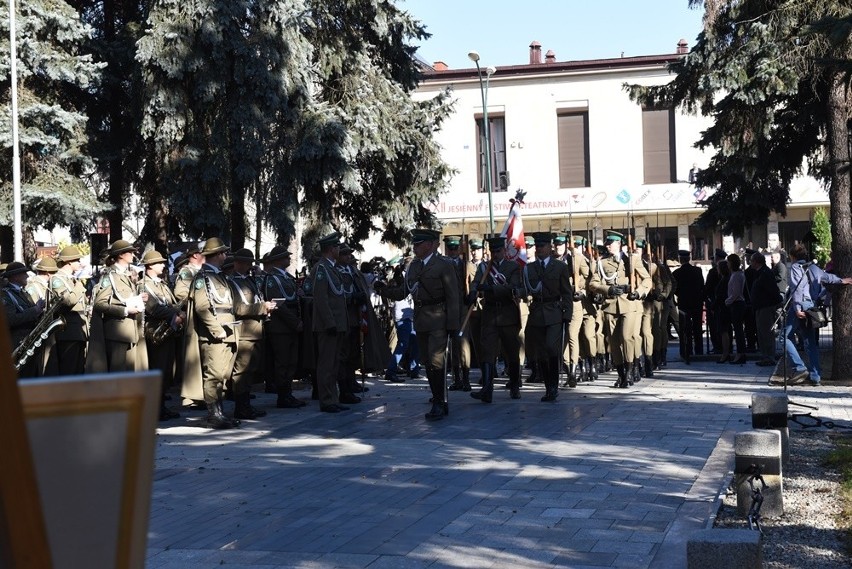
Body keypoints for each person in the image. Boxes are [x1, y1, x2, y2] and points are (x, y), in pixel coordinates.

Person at [376, 229, 460, 420]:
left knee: (437, 360)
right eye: (414, 243)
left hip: (439, 317)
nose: (414, 247)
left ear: (430, 244)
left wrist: (453, 325)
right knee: (428, 362)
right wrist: (384, 290)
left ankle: (439, 402)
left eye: (418, 244)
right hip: (421, 318)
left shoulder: (443, 265)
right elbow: (403, 292)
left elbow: (453, 296)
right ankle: (438, 397)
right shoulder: (414, 266)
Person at [588, 230, 651, 388]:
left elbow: (647, 279)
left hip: (630, 304)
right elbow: (593, 284)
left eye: (611, 243)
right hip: (610, 306)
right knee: (614, 343)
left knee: (627, 338)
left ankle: (630, 370)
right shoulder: (601, 263)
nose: (608, 246)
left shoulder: (632, 260)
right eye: (607, 243)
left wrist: (639, 292)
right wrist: (608, 290)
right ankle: (621, 374)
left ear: (619, 244)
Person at [193, 238, 242, 428]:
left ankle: (219, 412)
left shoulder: (218, 276)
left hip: (227, 330)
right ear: (217, 255)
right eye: (223, 253)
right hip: (215, 334)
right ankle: (214, 414)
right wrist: (216, 330)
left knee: (221, 375)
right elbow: (202, 307)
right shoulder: (203, 278)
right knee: (213, 375)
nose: (226, 256)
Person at [470, 236, 522, 402]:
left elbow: (512, 288)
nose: (495, 254)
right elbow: (476, 282)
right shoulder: (484, 267)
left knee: (512, 352)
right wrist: (472, 293)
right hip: (490, 313)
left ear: (505, 251)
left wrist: (491, 288)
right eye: (493, 251)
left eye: (498, 251)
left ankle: (514, 385)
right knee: (487, 351)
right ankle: (487, 389)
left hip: (507, 313)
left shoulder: (512, 267)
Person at [522, 232, 573, 401]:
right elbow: (526, 290)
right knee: (541, 352)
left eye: (542, 246)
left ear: (550, 248)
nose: (539, 249)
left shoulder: (560, 267)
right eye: (537, 246)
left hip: (554, 312)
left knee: (552, 348)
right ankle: (549, 388)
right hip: (537, 312)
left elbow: (566, 292)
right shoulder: (529, 268)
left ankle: (553, 384)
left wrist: (568, 313)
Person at [229, 248, 278, 419]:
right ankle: (241, 407)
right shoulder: (232, 282)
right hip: (244, 332)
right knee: (242, 372)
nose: (251, 266)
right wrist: (262, 307)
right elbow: (238, 308)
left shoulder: (249, 280)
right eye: (248, 263)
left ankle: (246, 405)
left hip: (256, 331)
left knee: (250, 371)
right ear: (239, 263)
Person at [140, 249, 184, 420]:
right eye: (159, 262)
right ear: (150, 265)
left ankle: (161, 406)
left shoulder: (161, 284)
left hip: (169, 329)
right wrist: (175, 314)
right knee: (157, 368)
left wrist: (178, 312)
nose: (163, 265)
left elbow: (171, 302)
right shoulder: (144, 284)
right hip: (155, 331)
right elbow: (153, 308)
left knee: (166, 370)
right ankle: (155, 408)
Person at [263, 246, 308, 410]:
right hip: (280, 327)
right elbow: (278, 305)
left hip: (291, 325)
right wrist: (295, 322)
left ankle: (287, 393)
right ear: (277, 260)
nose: (288, 259)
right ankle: (283, 396)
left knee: (291, 362)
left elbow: (296, 298)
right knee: (282, 363)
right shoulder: (272, 279)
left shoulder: (287, 277)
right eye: (285, 257)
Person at [311, 232, 352, 413]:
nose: (339, 250)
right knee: (326, 364)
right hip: (328, 326)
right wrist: (330, 323)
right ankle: (327, 400)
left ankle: (333, 398)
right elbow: (321, 299)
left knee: (334, 363)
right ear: (330, 249)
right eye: (337, 247)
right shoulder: (321, 269)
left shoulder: (332, 268)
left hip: (338, 324)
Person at [93, 240, 148, 372]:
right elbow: (99, 304)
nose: (133, 255)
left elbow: (125, 298)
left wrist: (140, 299)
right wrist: (124, 310)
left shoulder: (124, 275)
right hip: (116, 333)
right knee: (117, 375)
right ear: (121, 255)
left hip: (130, 331)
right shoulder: (110, 275)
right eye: (130, 252)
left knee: (128, 376)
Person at [47, 245, 89, 376]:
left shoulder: (72, 280)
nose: (79, 263)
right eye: (77, 260)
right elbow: (67, 301)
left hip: (78, 330)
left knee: (78, 370)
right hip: (68, 331)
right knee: (69, 370)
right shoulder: (57, 279)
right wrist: (80, 287)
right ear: (69, 261)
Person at [3, 261, 45, 378]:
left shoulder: (22, 292)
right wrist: (35, 310)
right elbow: (10, 320)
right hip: (18, 344)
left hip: (27, 342)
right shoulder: (6, 294)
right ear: (15, 276)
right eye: (24, 274)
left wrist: (39, 310)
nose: (27, 276)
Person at [749, 252, 783, 367]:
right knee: (761, 333)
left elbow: (772, 290)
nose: (750, 263)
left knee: (767, 332)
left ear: (757, 261)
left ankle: (769, 357)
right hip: (760, 306)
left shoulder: (765, 273)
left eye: (752, 260)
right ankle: (765, 356)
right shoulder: (759, 272)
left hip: (766, 307)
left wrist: (775, 302)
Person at [672, 249, 705, 363]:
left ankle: (686, 351)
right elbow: (702, 285)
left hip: (684, 303)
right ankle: (699, 350)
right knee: (697, 327)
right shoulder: (697, 271)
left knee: (685, 329)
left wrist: (680, 295)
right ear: (689, 259)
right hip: (696, 302)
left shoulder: (676, 273)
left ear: (680, 260)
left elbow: (674, 289)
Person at [724, 253, 748, 364]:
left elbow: (736, 292)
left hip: (737, 304)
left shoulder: (738, 275)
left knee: (738, 331)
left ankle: (740, 353)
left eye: (728, 262)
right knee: (738, 330)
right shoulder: (735, 274)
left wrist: (728, 301)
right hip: (735, 303)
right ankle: (740, 353)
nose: (727, 264)